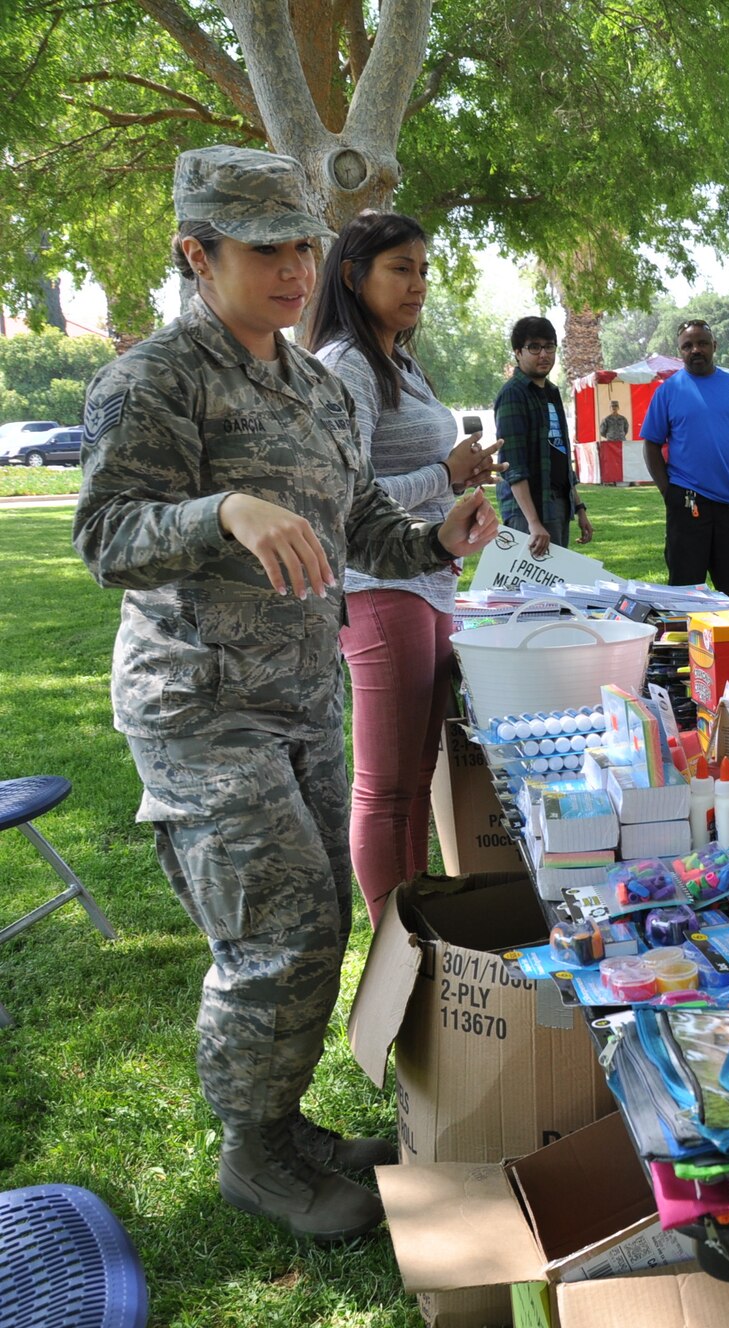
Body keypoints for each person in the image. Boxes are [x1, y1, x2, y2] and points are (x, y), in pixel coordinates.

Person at [71, 146, 500, 1242]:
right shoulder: (153, 380)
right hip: (199, 702)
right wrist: (221, 510)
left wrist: (434, 533)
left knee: (318, 918)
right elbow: (108, 536)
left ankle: (283, 1121)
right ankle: (252, 1152)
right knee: (282, 928)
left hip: (302, 696)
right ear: (197, 253)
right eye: (266, 248)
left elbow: (358, 524)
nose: (295, 267)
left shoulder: (313, 386)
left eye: (305, 244)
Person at [301, 211, 502, 925]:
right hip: (378, 588)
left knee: (419, 774)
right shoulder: (346, 366)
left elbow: (409, 478)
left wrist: (457, 487)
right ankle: (396, 943)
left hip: (428, 580)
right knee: (384, 788)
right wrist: (441, 472)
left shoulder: (397, 358)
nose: (417, 283)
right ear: (354, 277)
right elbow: (339, 497)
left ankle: (419, 925)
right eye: (400, 269)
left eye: (423, 268)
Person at [640, 318, 729, 604]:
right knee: (685, 591)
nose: (695, 349)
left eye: (702, 343)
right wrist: (668, 492)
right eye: (688, 345)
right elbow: (651, 446)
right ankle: (686, 648)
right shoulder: (668, 391)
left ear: (714, 346)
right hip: (687, 502)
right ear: (680, 350)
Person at [496, 317, 592, 553]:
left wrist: (579, 508)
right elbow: (513, 467)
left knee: (556, 589)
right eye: (534, 347)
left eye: (549, 346)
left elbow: (559, 453)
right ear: (518, 352)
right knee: (532, 590)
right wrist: (534, 523)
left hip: (557, 507)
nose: (544, 354)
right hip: (529, 512)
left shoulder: (551, 392)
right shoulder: (513, 394)